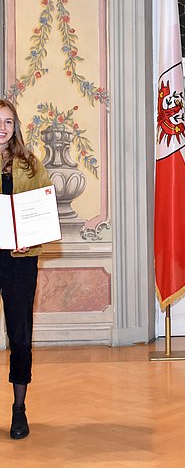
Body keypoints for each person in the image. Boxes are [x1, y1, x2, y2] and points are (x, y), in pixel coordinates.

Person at [0, 99, 52, 437]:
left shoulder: (31, 165)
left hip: (19, 261)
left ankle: (20, 409)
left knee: (20, 335)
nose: (3, 127)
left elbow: (43, 213)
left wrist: (29, 240)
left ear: (15, 126)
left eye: (8, 121)